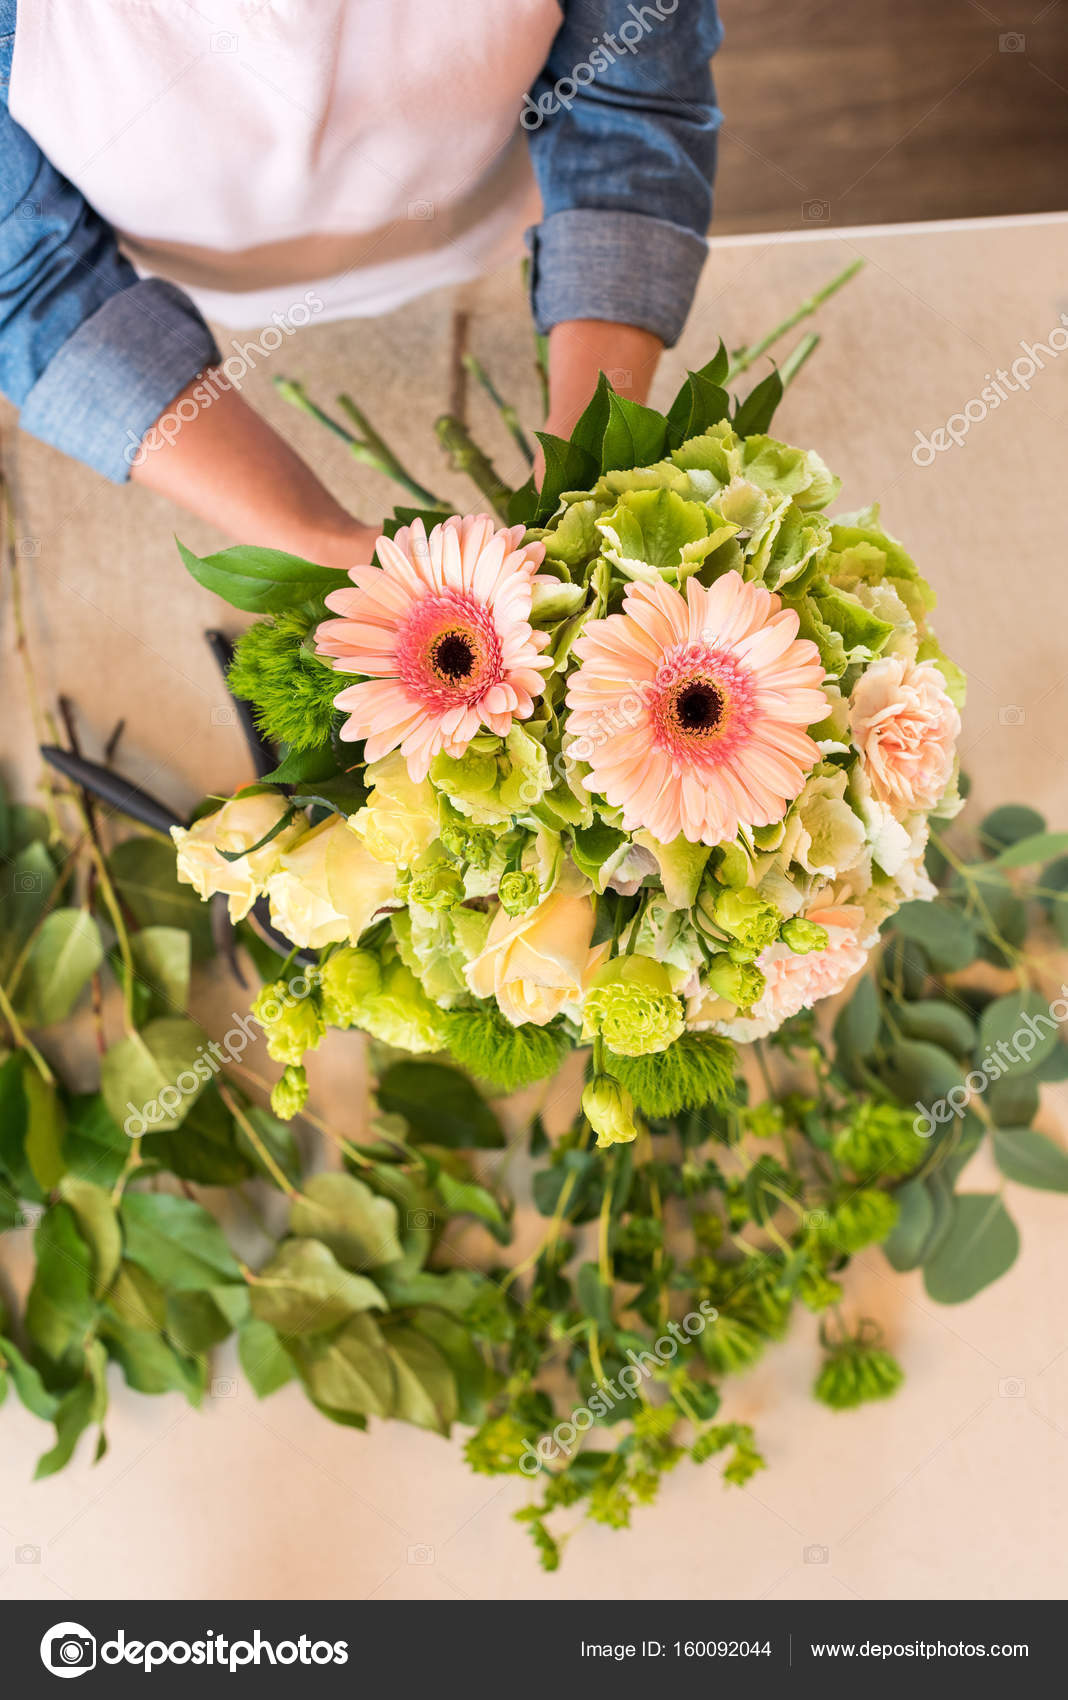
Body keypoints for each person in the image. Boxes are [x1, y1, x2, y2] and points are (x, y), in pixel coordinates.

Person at [0, 1, 722, 566]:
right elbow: (33, 284)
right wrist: (319, 542)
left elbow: (628, 120)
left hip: (497, 224)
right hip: (186, 289)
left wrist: (579, 467)